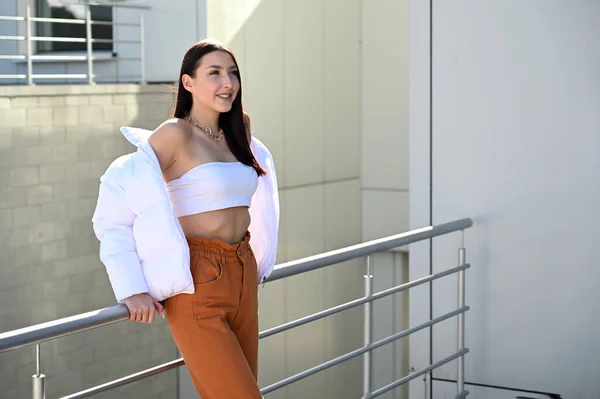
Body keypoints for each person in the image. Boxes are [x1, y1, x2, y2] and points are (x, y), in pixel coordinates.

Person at [91, 39, 279, 399]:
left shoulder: (239, 132)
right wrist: (131, 288)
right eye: (215, 73)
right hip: (198, 281)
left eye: (233, 73)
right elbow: (115, 208)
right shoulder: (175, 134)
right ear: (188, 83)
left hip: (242, 272)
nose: (228, 83)